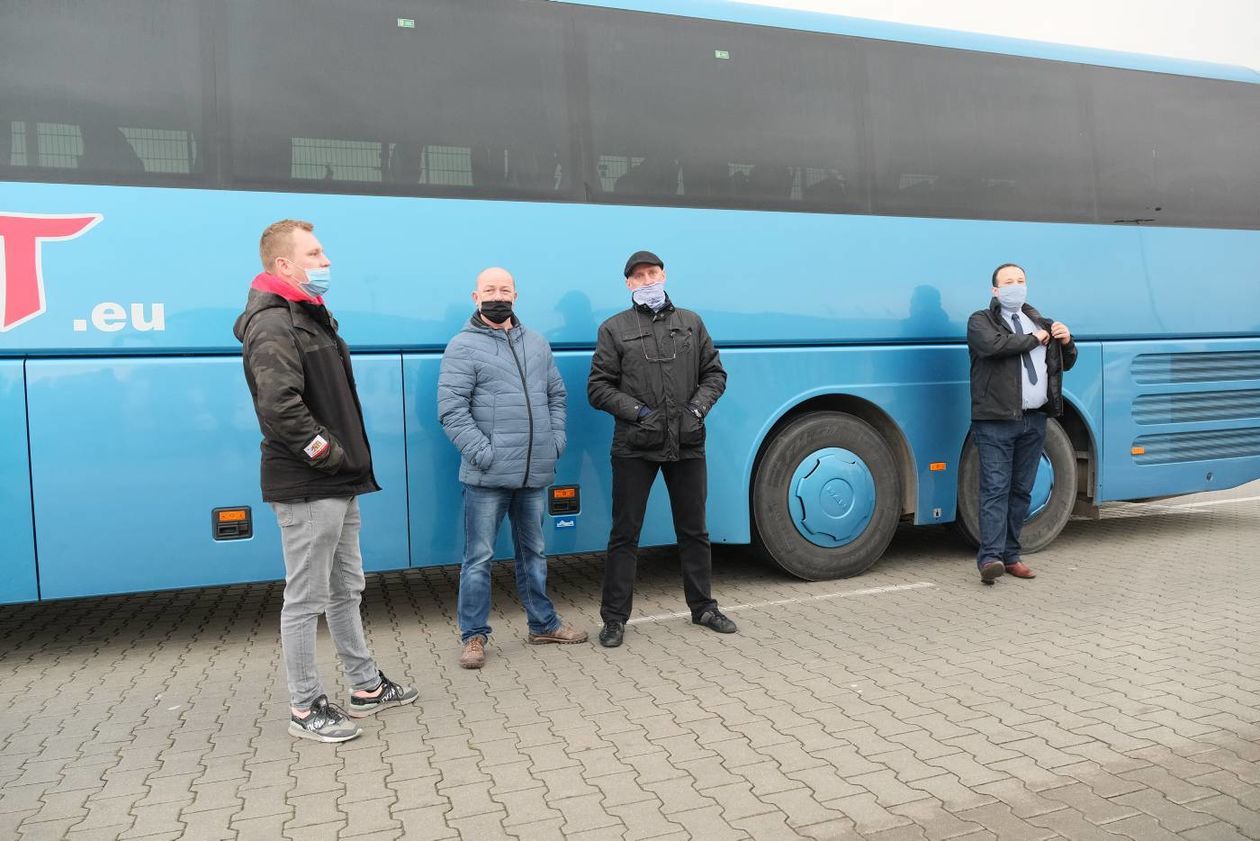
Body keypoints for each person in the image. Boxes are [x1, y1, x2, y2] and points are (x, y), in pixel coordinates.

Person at [234, 219, 417, 743]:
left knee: (346, 589)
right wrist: (330, 454)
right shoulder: (273, 324)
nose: (326, 262)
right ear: (284, 265)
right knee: (307, 597)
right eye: (315, 254)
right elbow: (279, 408)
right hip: (310, 484)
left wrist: (343, 464)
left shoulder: (310, 317)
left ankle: (364, 686)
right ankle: (305, 705)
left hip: (338, 482)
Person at [437, 267, 588, 669]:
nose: (497, 295)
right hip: (486, 477)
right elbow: (451, 412)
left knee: (534, 553)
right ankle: (473, 636)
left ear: (516, 296)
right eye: (490, 289)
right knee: (479, 558)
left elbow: (556, 395)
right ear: (475, 296)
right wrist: (483, 454)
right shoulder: (462, 346)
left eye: (504, 289)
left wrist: (555, 442)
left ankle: (543, 624)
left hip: (534, 472)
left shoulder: (536, 343)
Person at [587, 250, 736, 648]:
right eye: (639, 277)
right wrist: (638, 413)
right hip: (635, 446)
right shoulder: (613, 329)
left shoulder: (691, 323)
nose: (647, 281)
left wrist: (696, 409)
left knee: (694, 530)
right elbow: (598, 388)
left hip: (687, 442)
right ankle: (614, 618)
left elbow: (714, 374)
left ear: (664, 275)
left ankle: (703, 607)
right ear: (628, 284)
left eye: (652, 273)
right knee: (625, 533)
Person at [967, 262, 1077, 584]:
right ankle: (989, 559)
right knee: (995, 490)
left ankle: (1011, 555)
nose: (1016, 286)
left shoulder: (1040, 322)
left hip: (1033, 420)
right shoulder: (981, 321)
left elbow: (1065, 362)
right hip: (995, 421)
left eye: (1021, 280)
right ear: (995, 291)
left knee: (1021, 492)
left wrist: (1066, 341)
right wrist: (1034, 339)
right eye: (1008, 282)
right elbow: (994, 346)